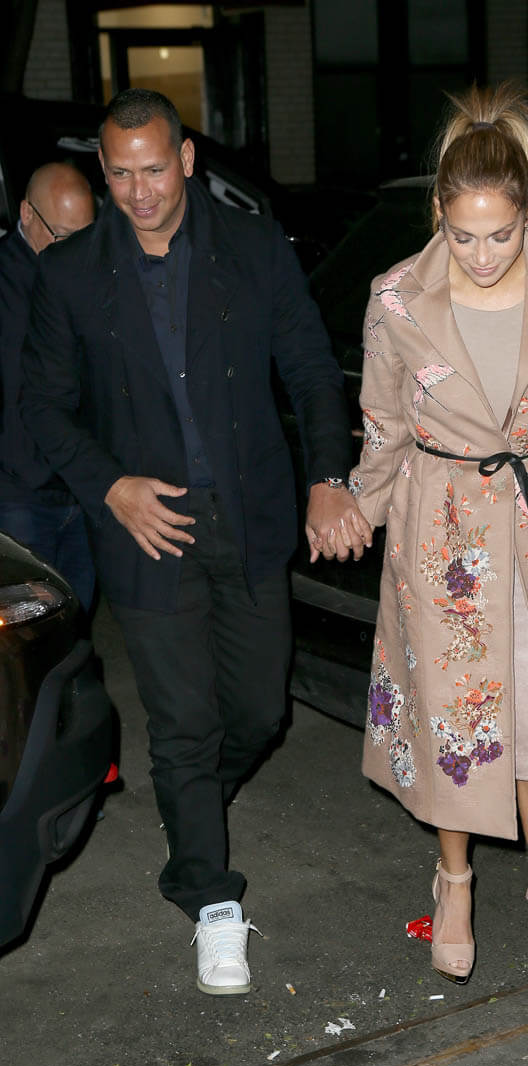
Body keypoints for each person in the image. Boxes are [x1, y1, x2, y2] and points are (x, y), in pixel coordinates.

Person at [21, 88, 371, 995]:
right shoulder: (71, 273)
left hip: (249, 518)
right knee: (183, 724)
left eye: (153, 169)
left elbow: (308, 369)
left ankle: (191, 813)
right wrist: (111, 485)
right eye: (120, 174)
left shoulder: (251, 248)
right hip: (147, 529)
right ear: (104, 174)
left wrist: (329, 478)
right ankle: (211, 899)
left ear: (185, 162)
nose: (139, 192)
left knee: (257, 713)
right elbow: (44, 408)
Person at [349, 82, 528, 1007]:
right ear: (438, 212)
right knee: (455, 720)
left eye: (501, 235)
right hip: (441, 536)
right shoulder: (395, 297)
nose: (480, 255)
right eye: (462, 233)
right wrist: (354, 506)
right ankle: (455, 881)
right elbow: (383, 428)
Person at [0, 162, 96, 611]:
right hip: (20, 495)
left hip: (80, 487)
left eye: (85, 236)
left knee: (75, 617)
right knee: (28, 627)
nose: (75, 250)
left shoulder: (88, 274)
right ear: (26, 214)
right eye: (62, 236)